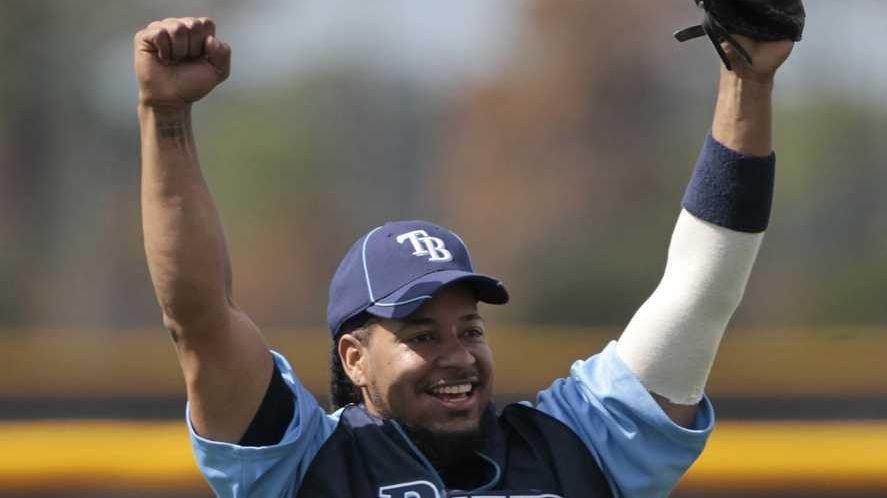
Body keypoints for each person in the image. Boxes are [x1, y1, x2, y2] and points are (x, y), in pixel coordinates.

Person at [134, 16, 793, 498]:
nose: (457, 355)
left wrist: (746, 81)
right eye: (421, 334)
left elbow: (697, 292)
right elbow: (198, 315)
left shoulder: (576, 445)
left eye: (469, 329)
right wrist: (165, 115)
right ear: (353, 358)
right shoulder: (302, 464)